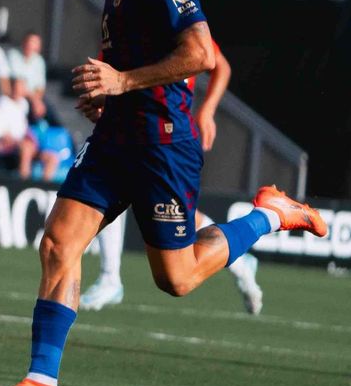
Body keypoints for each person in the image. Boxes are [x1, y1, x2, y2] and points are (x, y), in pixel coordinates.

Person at [0, 0, 327, 386]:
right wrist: (109, 93)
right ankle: (42, 383)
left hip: (162, 146)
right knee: (58, 243)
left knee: (177, 278)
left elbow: (202, 55)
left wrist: (122, 82)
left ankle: (270, 215)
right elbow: (135, 65)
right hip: (115, 139)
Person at [79, 41, 264, 315]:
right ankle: (109, 277)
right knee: (111, 191)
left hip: (169, 135)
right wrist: (101, 104)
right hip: (132, 131)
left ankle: (246, 250)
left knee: (177, 221)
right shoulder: (125, 27)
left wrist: (207, 109)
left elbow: (220, 66)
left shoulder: (176, 23)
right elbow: (111, 80)